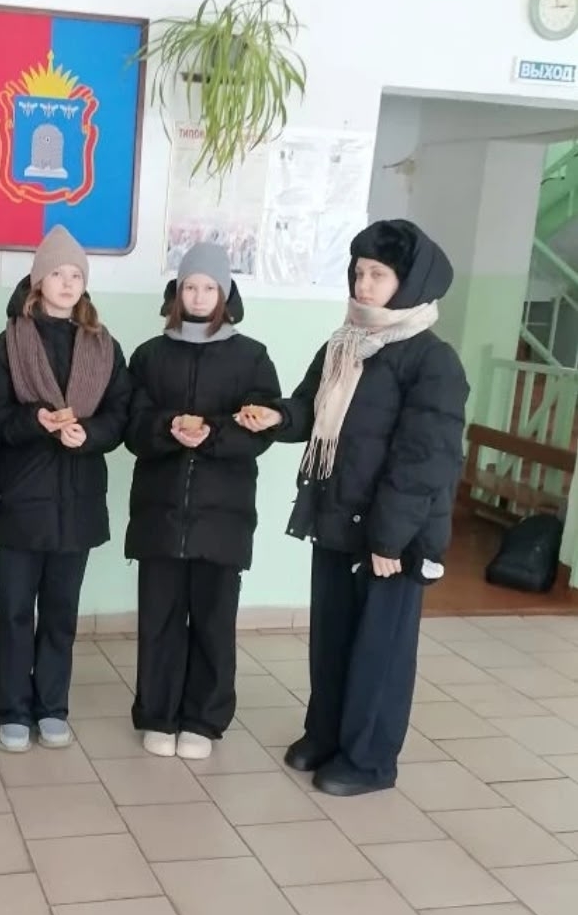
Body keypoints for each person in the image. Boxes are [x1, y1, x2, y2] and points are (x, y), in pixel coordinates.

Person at [237, 218, 468, 796]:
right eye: (359, 273)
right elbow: (309, 408)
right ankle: (327, 734)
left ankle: (368, 760)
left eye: (378, 275)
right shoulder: (343, 344)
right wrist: (276, 417)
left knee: (379, 650)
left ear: (410, 283)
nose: (364, 285)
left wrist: (390, 539)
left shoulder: (432, 360)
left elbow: (424, 460)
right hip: (337, 515)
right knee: (333, 635)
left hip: (392, 535)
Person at [125, 243, 280, 760]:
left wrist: (211, 434)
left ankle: (203, 720)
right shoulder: (149, 355)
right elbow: (132, 424)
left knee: (214, 622)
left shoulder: (252, 356)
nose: (197, 296)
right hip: (160, 513)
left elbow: (261, 428)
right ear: (177, 292)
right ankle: (158, 715)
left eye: (209, 287)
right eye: (190, 286)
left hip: (223, 517)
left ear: (225, 294)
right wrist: (168, 428)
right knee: (160, 620)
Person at [0, 226, 133, 752]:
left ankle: (52, 706)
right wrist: (36, 421)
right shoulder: (7, 344)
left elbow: (121, 415)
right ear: (38, 281)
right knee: (14, 612)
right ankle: (12, 708)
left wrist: (89, 434)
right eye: (57, 274)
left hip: (78, 500)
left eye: (76, 275)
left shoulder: (104, 346)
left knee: (61, 613)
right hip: (21, 499)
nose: (67, 283)